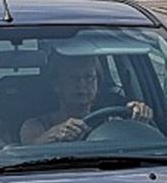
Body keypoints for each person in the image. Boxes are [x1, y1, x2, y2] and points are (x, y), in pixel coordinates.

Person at [20, 56, 153, 145]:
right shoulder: (36, 126)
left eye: (89, 77)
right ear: (57, 85)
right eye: (73, 78)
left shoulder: (112, 121)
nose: (82, 85)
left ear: (98, 83)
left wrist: (139, 117)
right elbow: (27, 153)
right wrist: (55, 135)